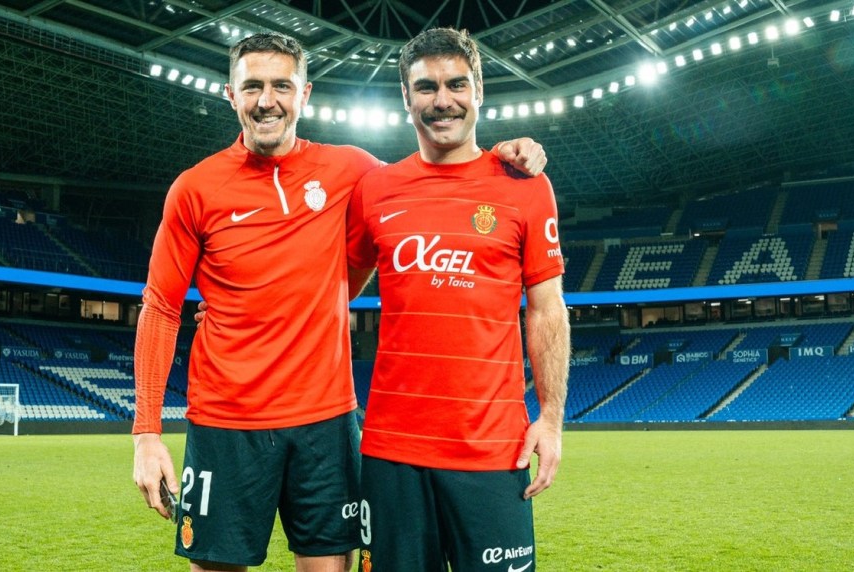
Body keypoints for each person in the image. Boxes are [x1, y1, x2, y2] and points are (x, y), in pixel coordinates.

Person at [131, 31, 547, 572]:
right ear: (231, 95)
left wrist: (503, 156)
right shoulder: (194, 188)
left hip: (326, 422)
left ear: (304, 94)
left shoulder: (353, 170)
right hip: (225, 421)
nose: (267, 101)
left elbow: (433, 180)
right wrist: (146, 433)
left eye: (282, 86)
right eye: (252, 87)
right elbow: (161, 307)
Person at [344, 27, 570, 571]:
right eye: (426, 87)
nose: (442, 100)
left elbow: (547, 310)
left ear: (479, 90)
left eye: (456, 85)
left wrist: (551, 419)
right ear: (406, 97)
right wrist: (244, 308)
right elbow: (330, 294)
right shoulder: (375, 190)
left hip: (493, 448)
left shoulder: (525, 185)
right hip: (392, 452)